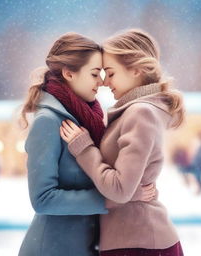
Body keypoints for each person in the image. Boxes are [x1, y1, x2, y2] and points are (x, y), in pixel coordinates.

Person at [18, 32, 155, 256]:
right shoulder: (48, 122)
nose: (101, 82)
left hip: (85, 247)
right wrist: (113, 199)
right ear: (69, 73)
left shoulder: (86, 118)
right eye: (94, 74)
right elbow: (43, 200)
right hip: (53, 249)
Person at [61, 29, 185, 256]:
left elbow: (119, 190)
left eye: (110, 73)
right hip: (133, 242)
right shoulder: (134, 112)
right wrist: (132, 194)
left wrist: (84, 148)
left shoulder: (140, 113)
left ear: (137, 70)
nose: (105, 82)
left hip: (141, 244)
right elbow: (126, 190)